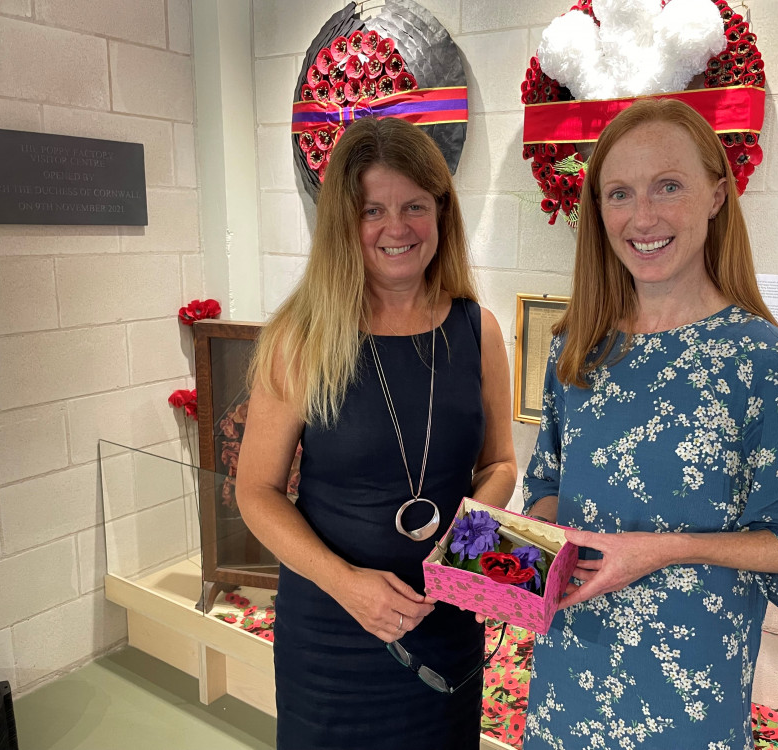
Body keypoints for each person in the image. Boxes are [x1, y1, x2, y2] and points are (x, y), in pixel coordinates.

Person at [521, 99, 778, 749]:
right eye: (619, 193)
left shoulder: (766, 364)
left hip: (685, 696)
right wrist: (533, 536)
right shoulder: (577, 348)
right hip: (567, 679)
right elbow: (546, 479)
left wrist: (662, 550)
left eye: (667, 186)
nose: (642, 217)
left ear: (716, 195)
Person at [235, 116, 517, 750]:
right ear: (344, 223)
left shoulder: (479, 331)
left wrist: (461, 542)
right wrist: (344, 582)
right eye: (373, 210)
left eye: (415, 206)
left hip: (444, 617)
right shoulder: (300, 338)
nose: (397, 228)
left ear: (441, 214)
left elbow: (499, 463)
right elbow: (256, 491)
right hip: (333, 632)